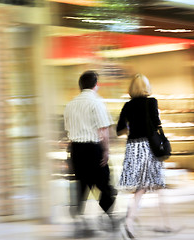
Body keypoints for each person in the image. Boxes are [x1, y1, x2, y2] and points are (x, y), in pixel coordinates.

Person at [64, 70, 117, 237]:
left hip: (76, 150)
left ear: (80, 86)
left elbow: (68, 129)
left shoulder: (70, 104)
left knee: (81, 182)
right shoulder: (96, 102)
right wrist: (106, 150)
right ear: (96, 85)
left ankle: (79, 218)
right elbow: (103, 129)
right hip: (93, 148)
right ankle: (109, 215)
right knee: (103, 182)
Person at [116, 74, 168, 239]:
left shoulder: (127, 105)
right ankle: (163, 224)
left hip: (133, 148)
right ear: (146, 87)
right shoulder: (151, 102)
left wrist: (132, 127)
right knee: (157, 184)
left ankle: (130, 223)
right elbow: (156, 123)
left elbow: (119, 129)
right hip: (148, 147)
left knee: (142, 188)